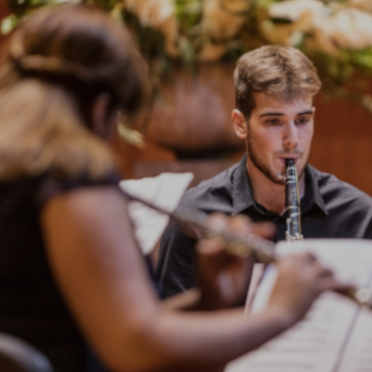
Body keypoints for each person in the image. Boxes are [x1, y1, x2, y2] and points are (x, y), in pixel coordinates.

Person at [0, 5, 343, 372]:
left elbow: (109, 321)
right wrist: (282, 312)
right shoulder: (72, 182)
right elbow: (138, 348)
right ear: (101, 110)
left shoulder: (21, 175)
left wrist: (206, 301)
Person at [156, 45, 372, 299]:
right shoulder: (194, 216)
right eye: (273, 121)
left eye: (302, 121)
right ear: (240, 124)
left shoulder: (359, 215)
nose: (292, 140)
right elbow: (172, 331)